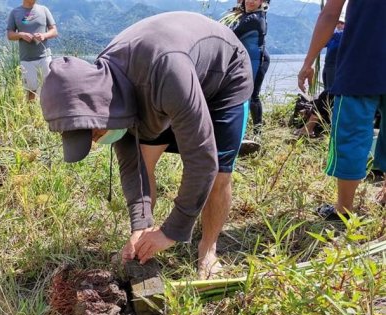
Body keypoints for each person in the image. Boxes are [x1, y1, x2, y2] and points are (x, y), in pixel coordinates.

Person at [40, 12, 253, 279]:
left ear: (102, 111)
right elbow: (133, 166)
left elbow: (202, 159)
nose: (94, 142)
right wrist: (140, 226)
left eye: (92, 134)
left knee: (220, 173)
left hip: (223, 75)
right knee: (145, 159)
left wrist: (171, 230)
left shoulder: (165, 72)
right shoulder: (107, 88)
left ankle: (208, 249)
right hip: (166, 86)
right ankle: (144, 234)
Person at [298, 0, 386, 220]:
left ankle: (344, 208)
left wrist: (309, 61)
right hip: (360, 64)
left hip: (360, 63)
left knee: (351, 135)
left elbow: (330, 13)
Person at [295, 17, 345, 138]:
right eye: (337, 22)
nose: (339, 24)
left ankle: (312, 126)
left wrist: (328, 27)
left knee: (329, 95)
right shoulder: (334, 37)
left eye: (342, 23)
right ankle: (326, 125)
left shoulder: (341, 36)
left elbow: (325, 36)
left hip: (337, 67)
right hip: (328, 67)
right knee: (328, 93)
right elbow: (322, 43)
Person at [230, 0, 270, 138]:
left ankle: (257, 134)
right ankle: (243, 131)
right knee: (243, 95)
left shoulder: (254, 18)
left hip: (258, 60)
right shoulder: (245, 16)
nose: (251, 1)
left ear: (262, 2)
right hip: (247, 59)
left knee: (252, 96)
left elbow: (231, 35)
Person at [7, 0, 58, 101]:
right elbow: (10, 35)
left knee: (49, 88)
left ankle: (49, 115)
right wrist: (21, 35)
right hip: (27, 59)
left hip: (45, 57)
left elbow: (54, 31)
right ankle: (31, 116)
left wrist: (44, 35)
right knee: (31, 91)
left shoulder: (44, 10)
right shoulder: (15, 12)